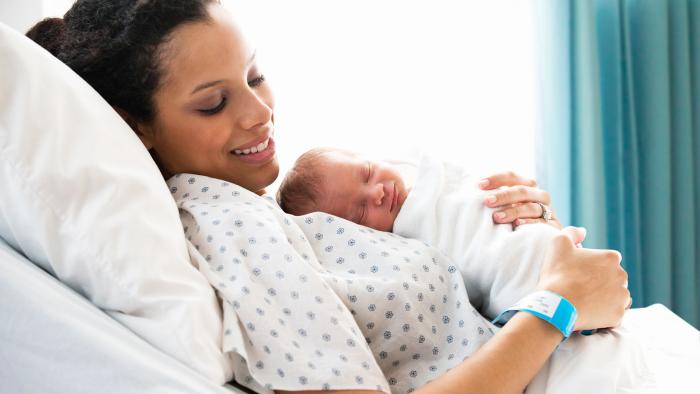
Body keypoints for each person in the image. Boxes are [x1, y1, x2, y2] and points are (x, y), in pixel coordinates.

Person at [26, 1, 630, 393]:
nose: (260, 112)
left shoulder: (269, 206)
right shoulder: (226, 224)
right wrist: (557, 305)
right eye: (214, 102)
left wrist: (511, 228)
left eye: (255, 75)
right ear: (138, 127)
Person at [277, 147, 566, 320]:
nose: (377, 191)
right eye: (361, 210)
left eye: (367, 172)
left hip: (541, 238)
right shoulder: (403, 249)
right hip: (522, 280)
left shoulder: (431, 174)